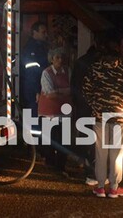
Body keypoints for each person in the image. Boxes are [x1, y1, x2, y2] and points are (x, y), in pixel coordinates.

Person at [83, 36, 123, 198]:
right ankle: (114, 188)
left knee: (100, 152)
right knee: (116, 153)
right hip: (119, 116)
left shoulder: (95, 67)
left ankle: (100, 187)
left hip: (100, 116)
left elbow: (86, 89)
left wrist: (95, 104)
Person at [70, 32, 105, 186]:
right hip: (98, 108)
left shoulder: (81, 62)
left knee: (87, 139)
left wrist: (78, 104)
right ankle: (94, 173)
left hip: (84, 107)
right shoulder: (102, 63)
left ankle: (88, 169)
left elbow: (75, 87)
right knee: (97, 142)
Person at [38, 47, 72, 176]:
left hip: (64, 112)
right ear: (51, 59)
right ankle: (51, 164)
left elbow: (71, 89)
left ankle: (60, 167)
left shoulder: (67, 71)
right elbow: (50, 93)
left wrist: (58, 91)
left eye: (61, 57)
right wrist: (64, 91)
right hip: (49, 112)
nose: (60, 60)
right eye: (57, 57)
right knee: (50, 141)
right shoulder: (46, 73)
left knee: (64, 140)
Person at [20, 21, 49, 130]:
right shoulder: (31, 49)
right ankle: (33, 143)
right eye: (43, 32)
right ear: (34, 32)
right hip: (32, 90)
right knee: (33, 118)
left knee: (37, 117)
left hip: (37, 89)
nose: (46, 35)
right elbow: (31, 72)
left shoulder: (39, 47)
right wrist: (37, 90)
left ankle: (35, 143)